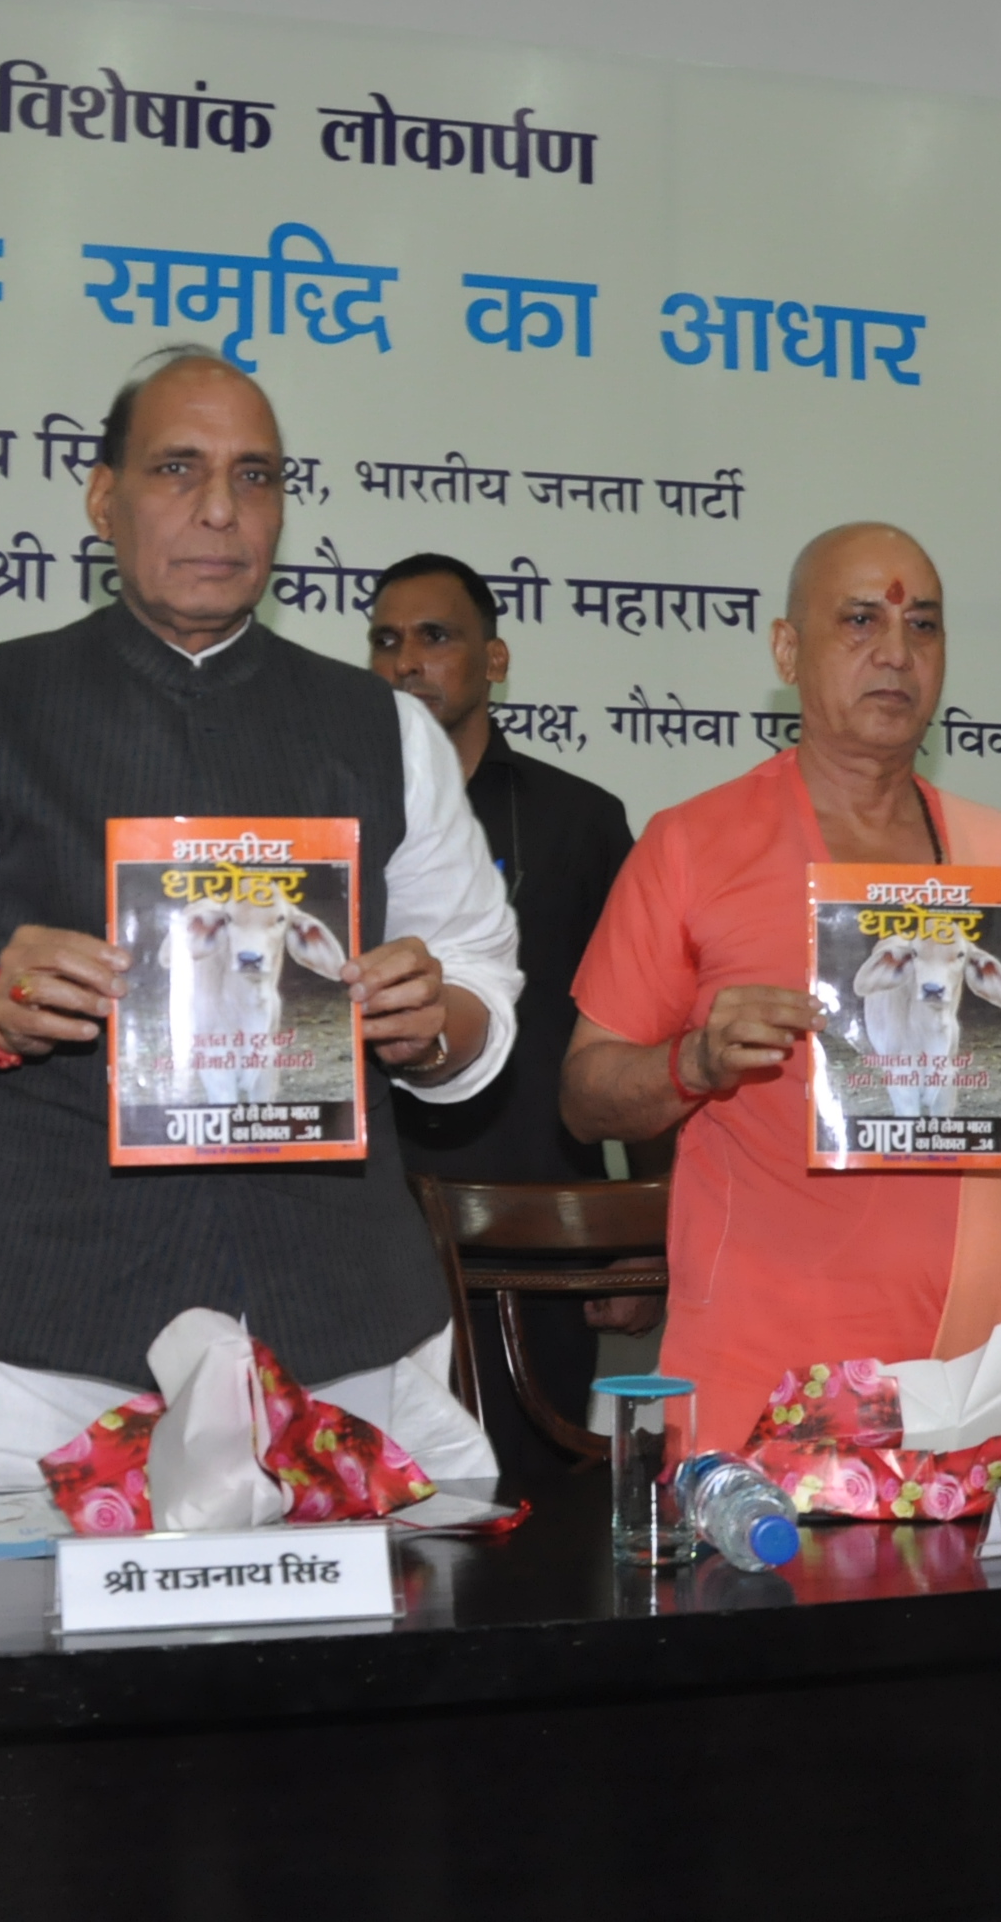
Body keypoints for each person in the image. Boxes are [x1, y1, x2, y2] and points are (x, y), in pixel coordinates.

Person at [0, 346, 520, 1497]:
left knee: (334, 1677)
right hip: (29, 1336)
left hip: (339, 1325)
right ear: (102, 495)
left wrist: (428, 1018)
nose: (217, 510)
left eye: (255, 478)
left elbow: (481, 989)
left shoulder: (382, 729)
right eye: (177, 469)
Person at [558, 524, 1001, 1459]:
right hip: (780, 1353)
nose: (896, 653)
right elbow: (584, 1098)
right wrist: (693, 1061)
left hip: (1000, 1346)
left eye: (924, 627)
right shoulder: (693, 846)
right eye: (859, 620)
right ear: (788, 650)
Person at [366, 552, 642, 1491]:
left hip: (542, 1237)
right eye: (386, 640)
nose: (407, 660)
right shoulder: (328, 823)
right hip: (363, 1237)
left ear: (494, 660)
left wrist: (642, 1238)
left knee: (542, 1539)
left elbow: (637, 1029)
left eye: (435, 637)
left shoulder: (581, 822)